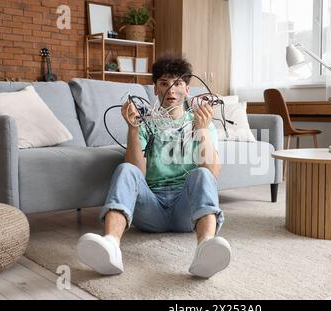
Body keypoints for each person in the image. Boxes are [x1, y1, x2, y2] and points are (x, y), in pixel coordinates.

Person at [76, 55, 231, 279]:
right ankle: (110, 246)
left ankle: (206, 249)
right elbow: (136, 171)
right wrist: (133, 129)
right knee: (124, 169)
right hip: (151, 210)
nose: (171, 89)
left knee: (202, 174)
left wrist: (203, 130)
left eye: (178, 83)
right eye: (164, 83)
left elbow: (212, 174)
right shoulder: (146, 123)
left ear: (187, 89)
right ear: (155, 88)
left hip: (186, 212)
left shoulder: (201, 123)